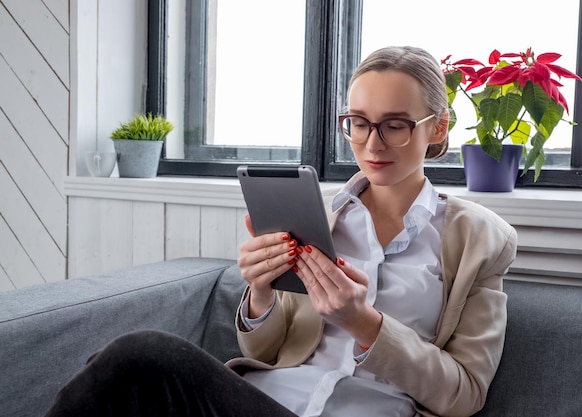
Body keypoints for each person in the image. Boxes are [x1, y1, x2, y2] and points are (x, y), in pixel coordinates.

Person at [43, 46, 517, 417]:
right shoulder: (318, 219)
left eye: (395, 125)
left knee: (140, 356)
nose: (371, 144)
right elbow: (265, 350)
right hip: (259, 402)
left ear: (437, 128)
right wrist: (260, 294)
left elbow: (465, 394)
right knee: (122, 373)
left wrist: (364, 325)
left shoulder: (477, 240)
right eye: (357, 123)